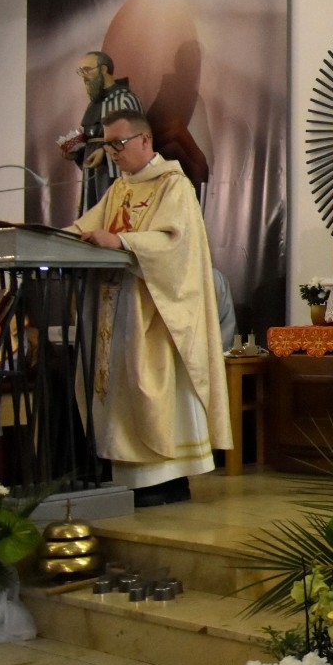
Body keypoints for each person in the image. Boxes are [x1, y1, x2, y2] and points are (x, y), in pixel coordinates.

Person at [71, 112, 230, 506]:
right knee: (122, 393)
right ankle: (131, 478)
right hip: (120, 309)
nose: (112, 153)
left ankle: (165, 480)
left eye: (118, 144)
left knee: (154, 388)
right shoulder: (119, 189)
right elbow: (85, 228)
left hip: (158, 312)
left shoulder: (174, 185)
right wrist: (57, 239)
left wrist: (124, 243)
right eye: (107, 145)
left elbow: (177, 245)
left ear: (145, 140)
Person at [60, 50, 143, 214]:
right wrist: (76, 153)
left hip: (115, 176)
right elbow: (90, 138)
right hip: (92, 175)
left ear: (103, 69)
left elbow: (134, 138)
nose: (84, 76)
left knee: (112, 214)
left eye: (87, 70)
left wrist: (105, 153)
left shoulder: (125, 99)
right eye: (81, 72)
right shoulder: (93, 104)